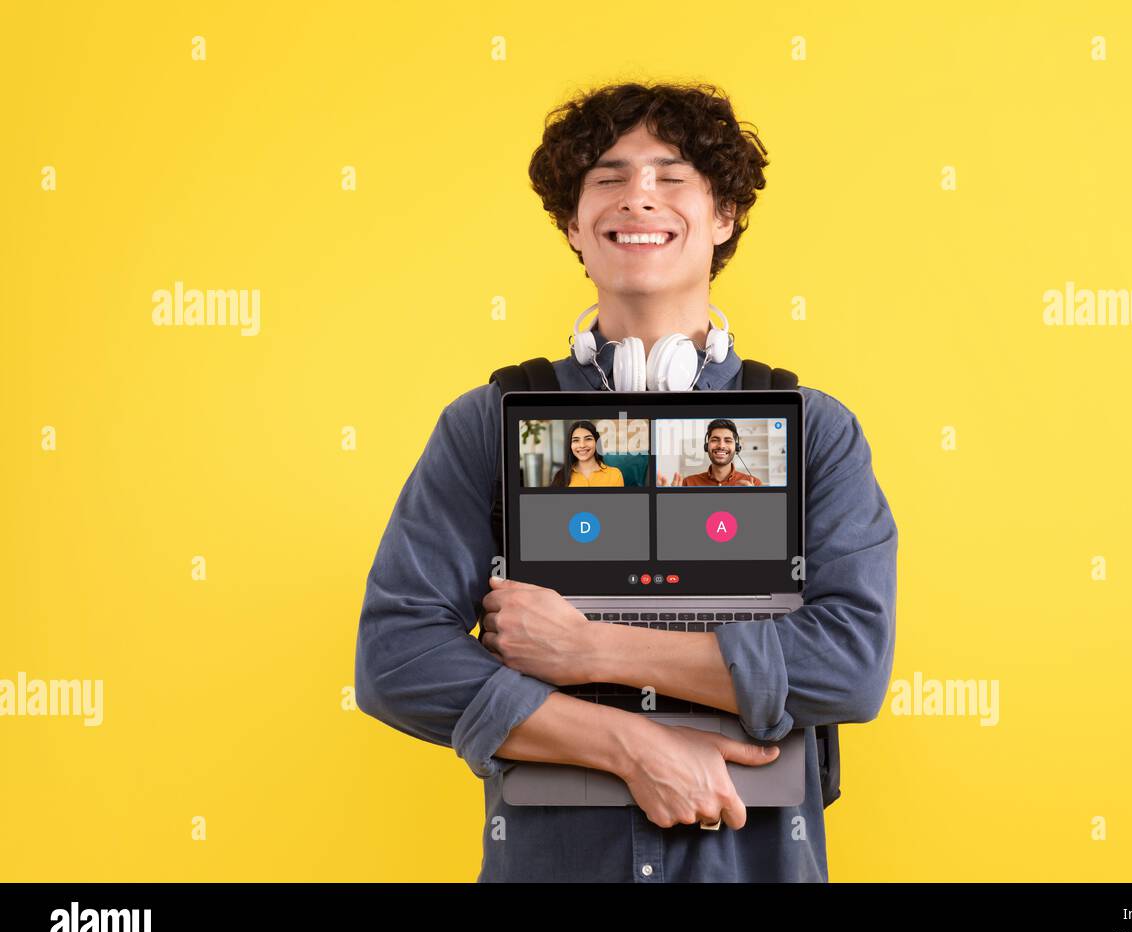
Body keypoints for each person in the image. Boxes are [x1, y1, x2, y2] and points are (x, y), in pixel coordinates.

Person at [354, 81, 899, 882]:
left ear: (724, 218)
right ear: (574, 226)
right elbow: (397, 658)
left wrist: (588, 648)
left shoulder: (815, 430)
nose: (638, 196)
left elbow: (849, 662)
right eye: (608, 178)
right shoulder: (486, 425)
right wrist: (633, 746)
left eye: (671, 176)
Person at [660, 418, 762, 487]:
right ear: (706, 446)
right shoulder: (688, 483)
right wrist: (671, 500)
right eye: (715, 440)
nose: (721, 446)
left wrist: (751, 498)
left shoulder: (753, 483)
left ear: (736, 447)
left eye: (727, 440)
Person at [550, 420, 624, 487]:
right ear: (570, 445)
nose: (582, 445)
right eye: (576, 440)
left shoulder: (614, 475)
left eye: (588, 439)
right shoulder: (560, 476)